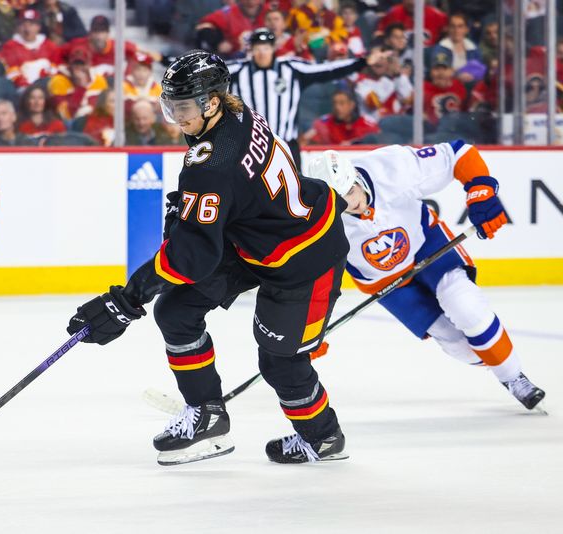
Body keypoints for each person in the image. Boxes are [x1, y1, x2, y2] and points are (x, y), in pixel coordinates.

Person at [66, 50, 351, 466]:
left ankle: (323, 438)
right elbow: (235, 188)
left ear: (212, 102)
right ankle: (207, 416)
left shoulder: (210, 164)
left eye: (182, 107)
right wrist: (193, 207)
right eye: (171, 105)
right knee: (177, 311)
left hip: (306, 256)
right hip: (257, 240)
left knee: (280, 362)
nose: (176, 116)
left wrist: (126, 300)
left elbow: (188, 258)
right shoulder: (238, 115)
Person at [307, 146, 546, 412]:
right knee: (457, 345)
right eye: (341, 201)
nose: (351, 204)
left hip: (428, 247)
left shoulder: (390, 167)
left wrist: (481, 190)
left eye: (351, 192)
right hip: (386, 284)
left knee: (466, 307)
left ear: (356, 177)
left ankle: (513, 378)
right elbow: (315, 280)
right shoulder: (316, 220)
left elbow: (458, 153)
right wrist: (307, 331)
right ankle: (500, 361)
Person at [228, 28, 387, 170]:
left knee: (292, 194)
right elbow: (209, 71)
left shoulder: (291, 68)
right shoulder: (237, 71)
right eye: (257, 48)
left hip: (286, 144)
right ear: (251, 50)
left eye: (266, 48)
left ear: (273, 48)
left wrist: (362, 62)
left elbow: (328, 69)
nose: (262, 52)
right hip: (249, 144)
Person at [2, 8, 59, 89]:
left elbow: (56, 66)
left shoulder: (49, 45)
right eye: (23, 24)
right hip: (22, 89)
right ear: (18, 27)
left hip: (47, 86)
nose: (27, 28)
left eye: (31, 24)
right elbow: (11, 72)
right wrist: (26, 86)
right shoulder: (10, 46)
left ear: (38, 27)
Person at [301, 88, 379, 145]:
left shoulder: (366, 123)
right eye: (335, 103)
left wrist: (353, 143)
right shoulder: (324, 123)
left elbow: (378, 142)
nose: (337, 107)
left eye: (342, 103)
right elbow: (305, 141)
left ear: (352, 105)